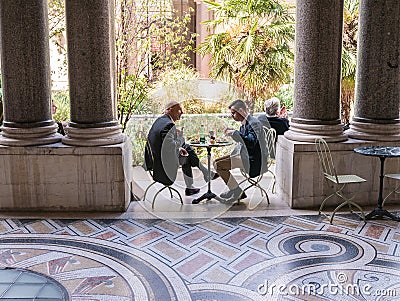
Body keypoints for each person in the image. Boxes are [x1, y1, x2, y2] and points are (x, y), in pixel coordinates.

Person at [144, 100, 217, 196]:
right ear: (170, 110)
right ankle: (204, 174)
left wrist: (178, 148)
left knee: (186, 152)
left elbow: (164, 145)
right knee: (187, 150)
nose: (182, 112)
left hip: (154, 160)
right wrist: (181, 139)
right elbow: (170, 146)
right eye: (179, 110)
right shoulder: (168, 124)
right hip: (162, 164)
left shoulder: (160, 120)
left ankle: (195, 183)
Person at [214, 99, 268, 203]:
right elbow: (245, 140)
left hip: (254, 161)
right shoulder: (245, 123)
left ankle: (236, 190)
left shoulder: (254, 123)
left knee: (218, 165)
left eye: (233, 113)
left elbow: (251, 142)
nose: (232, 116)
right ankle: (234, 189)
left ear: (241, 111)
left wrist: (235, 133)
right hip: (245, 156)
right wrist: (235, 133)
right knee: (216, 162)